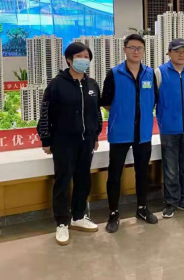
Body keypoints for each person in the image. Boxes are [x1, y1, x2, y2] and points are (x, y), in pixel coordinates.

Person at [37, 42, 103, 246]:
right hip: (63, 142)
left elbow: (96, 113)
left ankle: (78, 216)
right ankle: (62, 223)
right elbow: (45, 112)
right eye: (79, 56)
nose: (83, 60)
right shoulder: (57, 84)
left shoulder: (92, 85)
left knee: (83, 180)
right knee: (63, 181)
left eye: (86, 57)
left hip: (86, 141)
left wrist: (95, 135)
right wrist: (46, 139)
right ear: (69, 59)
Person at [101, 34, 159, 233]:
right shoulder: (114, 73)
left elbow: (154, 99)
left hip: (143, 132)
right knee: (114, 175)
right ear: (124, 49)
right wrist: (123, 114)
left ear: (143, 51)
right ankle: (113, 213)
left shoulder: (150, 73)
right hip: (120, 132)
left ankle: (142, 208)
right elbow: (106, 102)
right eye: (132, 47)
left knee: (142, 173)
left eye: (139, 48)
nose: (136, 51)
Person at [155, 38, 184, 218]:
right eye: (177, 51)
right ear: (169, 53)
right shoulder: (160, 72)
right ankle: (171, 202)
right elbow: (153, 99)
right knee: (171, 169)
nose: (181, 55)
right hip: (168, 129)